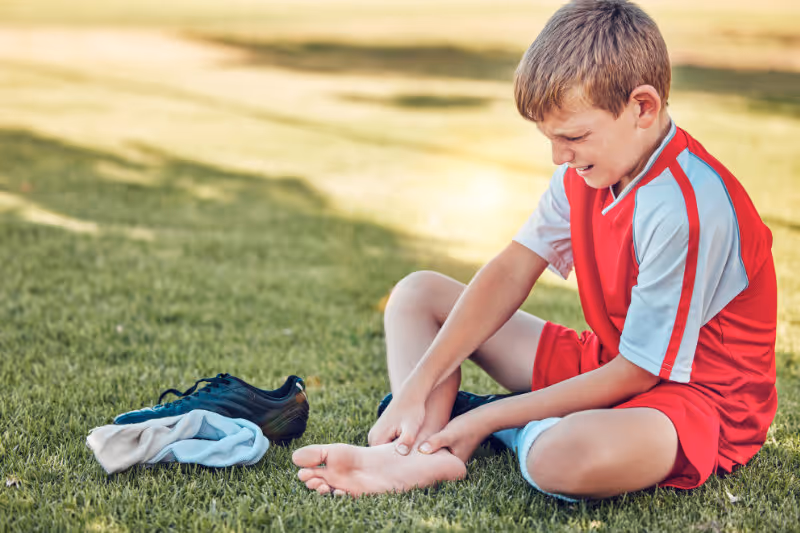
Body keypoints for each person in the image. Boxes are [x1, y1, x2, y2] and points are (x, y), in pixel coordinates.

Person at [292, 0, 777, 500]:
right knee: (416, 295)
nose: (558, 156)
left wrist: (489, 415)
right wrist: (419, 384)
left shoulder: (686, 208)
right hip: (607, 363)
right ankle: (418, 455)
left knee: (562, 460)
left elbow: (639, 372)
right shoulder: (585, 171)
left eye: (573, 136)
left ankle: (489, 426)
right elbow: (511, 271)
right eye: (549, 138)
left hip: (695, 401)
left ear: (643, 107)